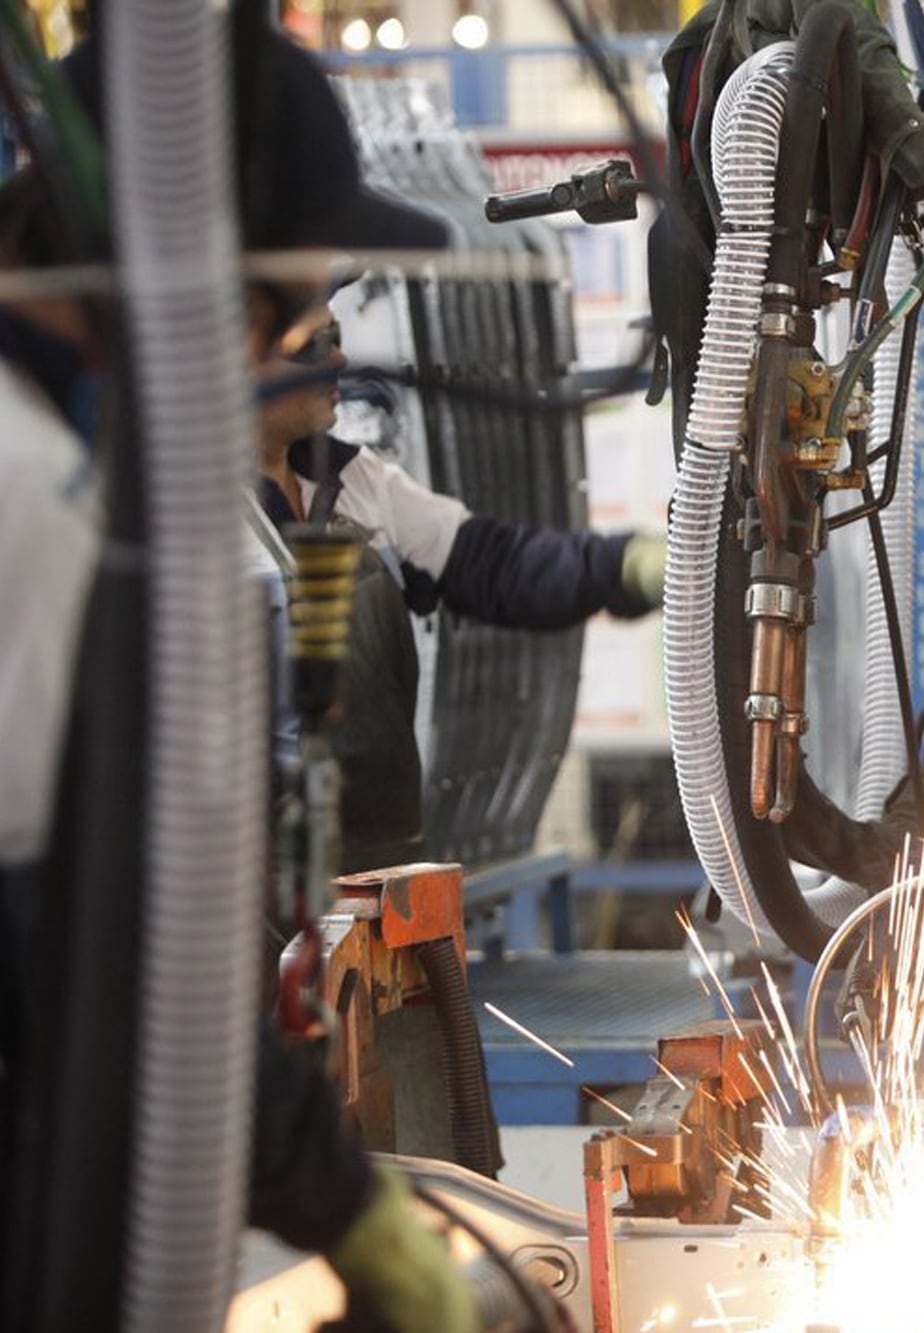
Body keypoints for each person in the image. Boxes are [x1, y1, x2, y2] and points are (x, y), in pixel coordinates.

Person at [0, 23, 480, 1331]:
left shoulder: (70, 466)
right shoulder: (29, 497)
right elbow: (112, 945)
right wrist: (336, 1202)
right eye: (287, 321)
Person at [249, 302, 667, 873]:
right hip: (255, 892)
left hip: (380, 866)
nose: (341, 358)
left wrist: (633, 565)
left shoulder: (352, 481)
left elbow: (493, 565)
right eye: (317, 345)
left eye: (339, 336)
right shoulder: (180, 520)